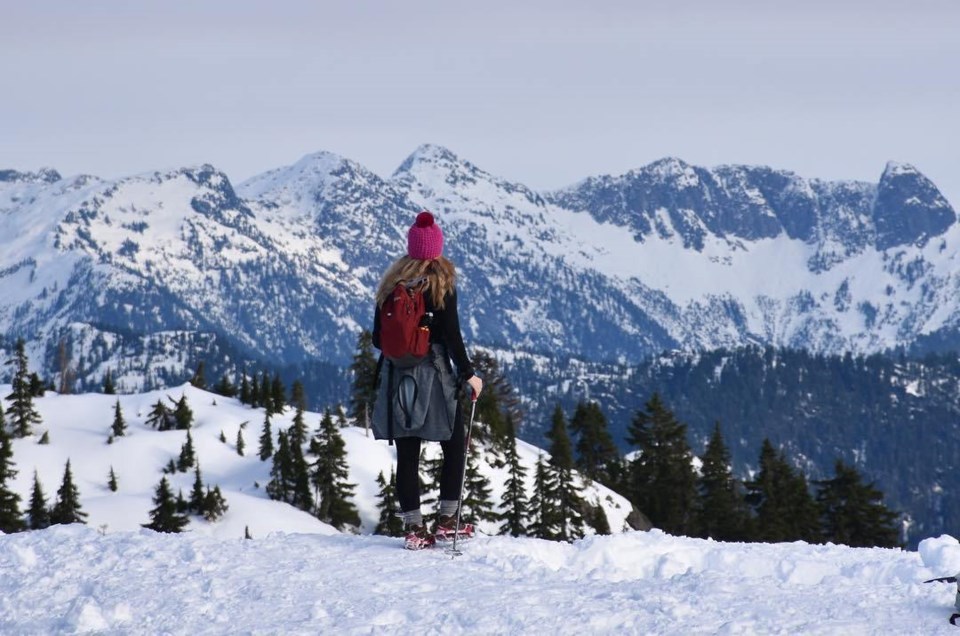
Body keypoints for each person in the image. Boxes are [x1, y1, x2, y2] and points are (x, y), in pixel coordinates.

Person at [371, 211, 483, 550]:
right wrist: (468, 373)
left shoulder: (391, 285)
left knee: (408, 452)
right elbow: (451, 335)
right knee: (453, 442)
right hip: (433, 374)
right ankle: (448, 520)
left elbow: (378, 339)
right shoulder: (441, 282)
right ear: (436, 249)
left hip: (396, 376)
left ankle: (413, 528)